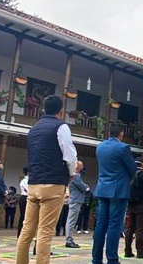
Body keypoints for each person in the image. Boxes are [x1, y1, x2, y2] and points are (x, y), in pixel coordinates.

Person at [16, 96, 77, 264]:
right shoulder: (61, 126)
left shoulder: (33, 129)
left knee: (27, 229)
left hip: (34, 183)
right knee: (45, 231)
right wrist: (71, 173)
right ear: (61, 111)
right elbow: (70, 155)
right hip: (53, 183)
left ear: (43, 109)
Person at [91, 123, 137, 264]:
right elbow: (133, 169)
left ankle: (96, 259)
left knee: (100, 224)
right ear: (121, 134)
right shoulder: (123, 148)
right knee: (114, 225)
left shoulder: (100, 147)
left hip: (103, 188)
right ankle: (112, 259)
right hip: (118, 190)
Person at [123, 160, 143, 259]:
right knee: (140, 228)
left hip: (131, 204)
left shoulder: (129, 174)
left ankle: (127, 250)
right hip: (142, 204)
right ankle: (140, 251)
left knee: (130, 227)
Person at [65, 161, 89, 248]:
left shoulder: (75, 176)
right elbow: (83, 187)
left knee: (71, 220)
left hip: (75, 200)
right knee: (71, 221)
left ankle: (69, 238)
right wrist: (86, 186)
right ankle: (69, 240)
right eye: (81, 167)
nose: (82, 168)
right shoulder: (75, 176)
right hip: (75, 200)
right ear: (77, 167)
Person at [17, 167, 29, 237]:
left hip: (28, 198)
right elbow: (29, 190)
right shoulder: (24, 181)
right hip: (24, 198)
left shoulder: (29, 180)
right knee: (23, 216)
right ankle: (20, 233)